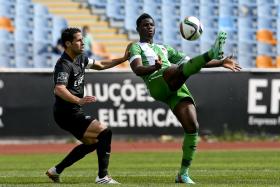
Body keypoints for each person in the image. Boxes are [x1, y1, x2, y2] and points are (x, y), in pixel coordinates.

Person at [128, 13, 241, 184]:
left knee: (192, 126)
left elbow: (191, 63)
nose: (149, 27)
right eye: (144, 25)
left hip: (176, 83)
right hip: (156, 81)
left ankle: (183, 174)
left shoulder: (165, 48)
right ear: (138, 29)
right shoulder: (135, 47)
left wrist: (220, 63)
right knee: (174, 69)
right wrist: (153, 67)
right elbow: (137, 69)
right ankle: (211, 52)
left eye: (151, 25)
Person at [46, 27, 129, 184]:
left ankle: (56, 170)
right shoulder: (64, 64)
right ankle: (102, 177)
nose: (83, 42)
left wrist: (123, 59)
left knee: (93, 143)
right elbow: (59, 89)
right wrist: (78, 100)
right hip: (66, 113)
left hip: (72, 111)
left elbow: (101, 64)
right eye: (79, 40)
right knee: (105, 132)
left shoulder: (81, 58)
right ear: (68, 44)